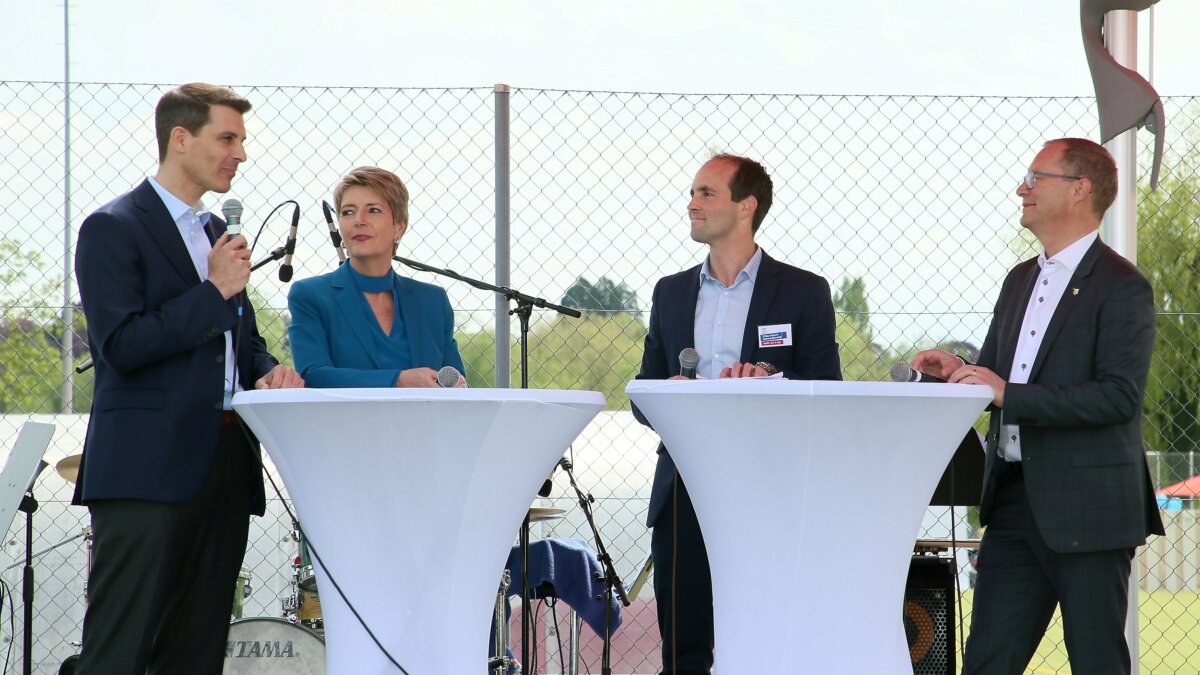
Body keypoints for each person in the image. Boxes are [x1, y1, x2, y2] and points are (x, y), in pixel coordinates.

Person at [73, 82, 304, 674]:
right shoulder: (113, 227)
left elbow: (238, 337)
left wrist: (265, 368)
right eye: (227, 138)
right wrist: (214, 291)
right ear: (181, 139)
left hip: (226, 461)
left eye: (242, 141)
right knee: (119, 653)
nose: (240, 154)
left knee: (196, 654)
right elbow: (120, 346)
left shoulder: (210, 233)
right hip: (146, 473)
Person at [913, 138, 1163, 675]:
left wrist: (1006, 391)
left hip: (1090, 512)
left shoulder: (1123, 287)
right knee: (986, 664)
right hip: (1011, 507)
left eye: (1035, 176)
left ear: (1080, 190)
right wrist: (960, 370)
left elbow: (1117, 396)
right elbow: (1007, 374)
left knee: (1097, 663)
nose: (1022, 188)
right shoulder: (1020, 278)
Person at [632, 153, 842, 674]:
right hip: (683, 490)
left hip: (769, 488)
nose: (692, 204)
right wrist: (670, 394)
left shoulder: (803, 291)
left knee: (768, 644)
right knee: (684, 650)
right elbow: (641, 396)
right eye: (693, 192)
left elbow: (828, 392)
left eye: (706, 193)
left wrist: (773, 385)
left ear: (746, 206)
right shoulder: (670, 292)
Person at [288, 166, 465, 387]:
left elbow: (454, 378)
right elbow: (313, 375)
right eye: (348, 212)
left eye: (373, 210)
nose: (358, 220)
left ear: (399, 226)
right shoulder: (311, 295)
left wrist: (457, 386)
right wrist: (397, 381)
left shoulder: (432, 301)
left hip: (425, 420)